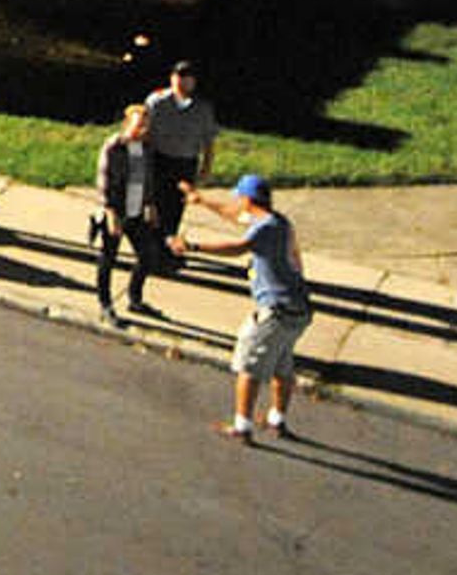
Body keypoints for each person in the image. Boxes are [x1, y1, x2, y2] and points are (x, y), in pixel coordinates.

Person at [197, 172, 314, 440]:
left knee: (248, 366)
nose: (236, 202)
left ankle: (242, 427)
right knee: (282, 365)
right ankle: (277, 419)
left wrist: (193, 246)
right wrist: (201, 200)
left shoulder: (263, 229)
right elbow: (233, 215)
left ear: (248, 199)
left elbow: (238, 247)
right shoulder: (279, 222)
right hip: (299, 310)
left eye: (239, 197)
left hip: (276, 312)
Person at [92, 102, 178, 317]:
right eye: (139, 126)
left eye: (146, 126)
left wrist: (150, 204)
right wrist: (110, 213)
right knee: (108, 258)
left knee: (148, 255)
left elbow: (146, 178)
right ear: (126, 125)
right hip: (115, 210)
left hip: (136, 209)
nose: (143, 131)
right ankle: (105, 303)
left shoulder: (144, 147)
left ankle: (135, 299)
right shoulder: (113, 146)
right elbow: (104, 181)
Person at [139, 59, 217, 226]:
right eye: (178, 76)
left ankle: (169, 242)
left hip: (185, 164)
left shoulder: (202, 109)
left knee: (175, 209)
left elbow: (208, 141)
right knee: (154, 207)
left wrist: (206, 167)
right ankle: (155, 243)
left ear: (194, 81)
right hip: (160, 160)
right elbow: (145, 131)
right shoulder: (157, 101)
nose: (181, 81)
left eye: (186, 77)